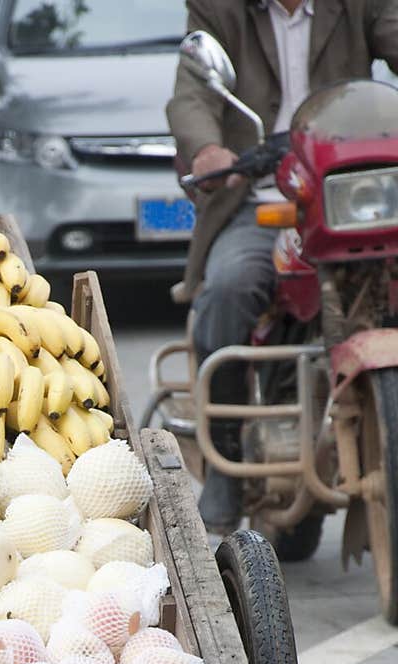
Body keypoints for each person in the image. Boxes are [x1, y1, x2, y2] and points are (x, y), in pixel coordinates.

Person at [167, 0, 398, 534]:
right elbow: (191, 95)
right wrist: (206, 150)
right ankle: (225, 462)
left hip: (352, 196)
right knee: (227, 288)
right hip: (261, 202)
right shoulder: (219, 8)